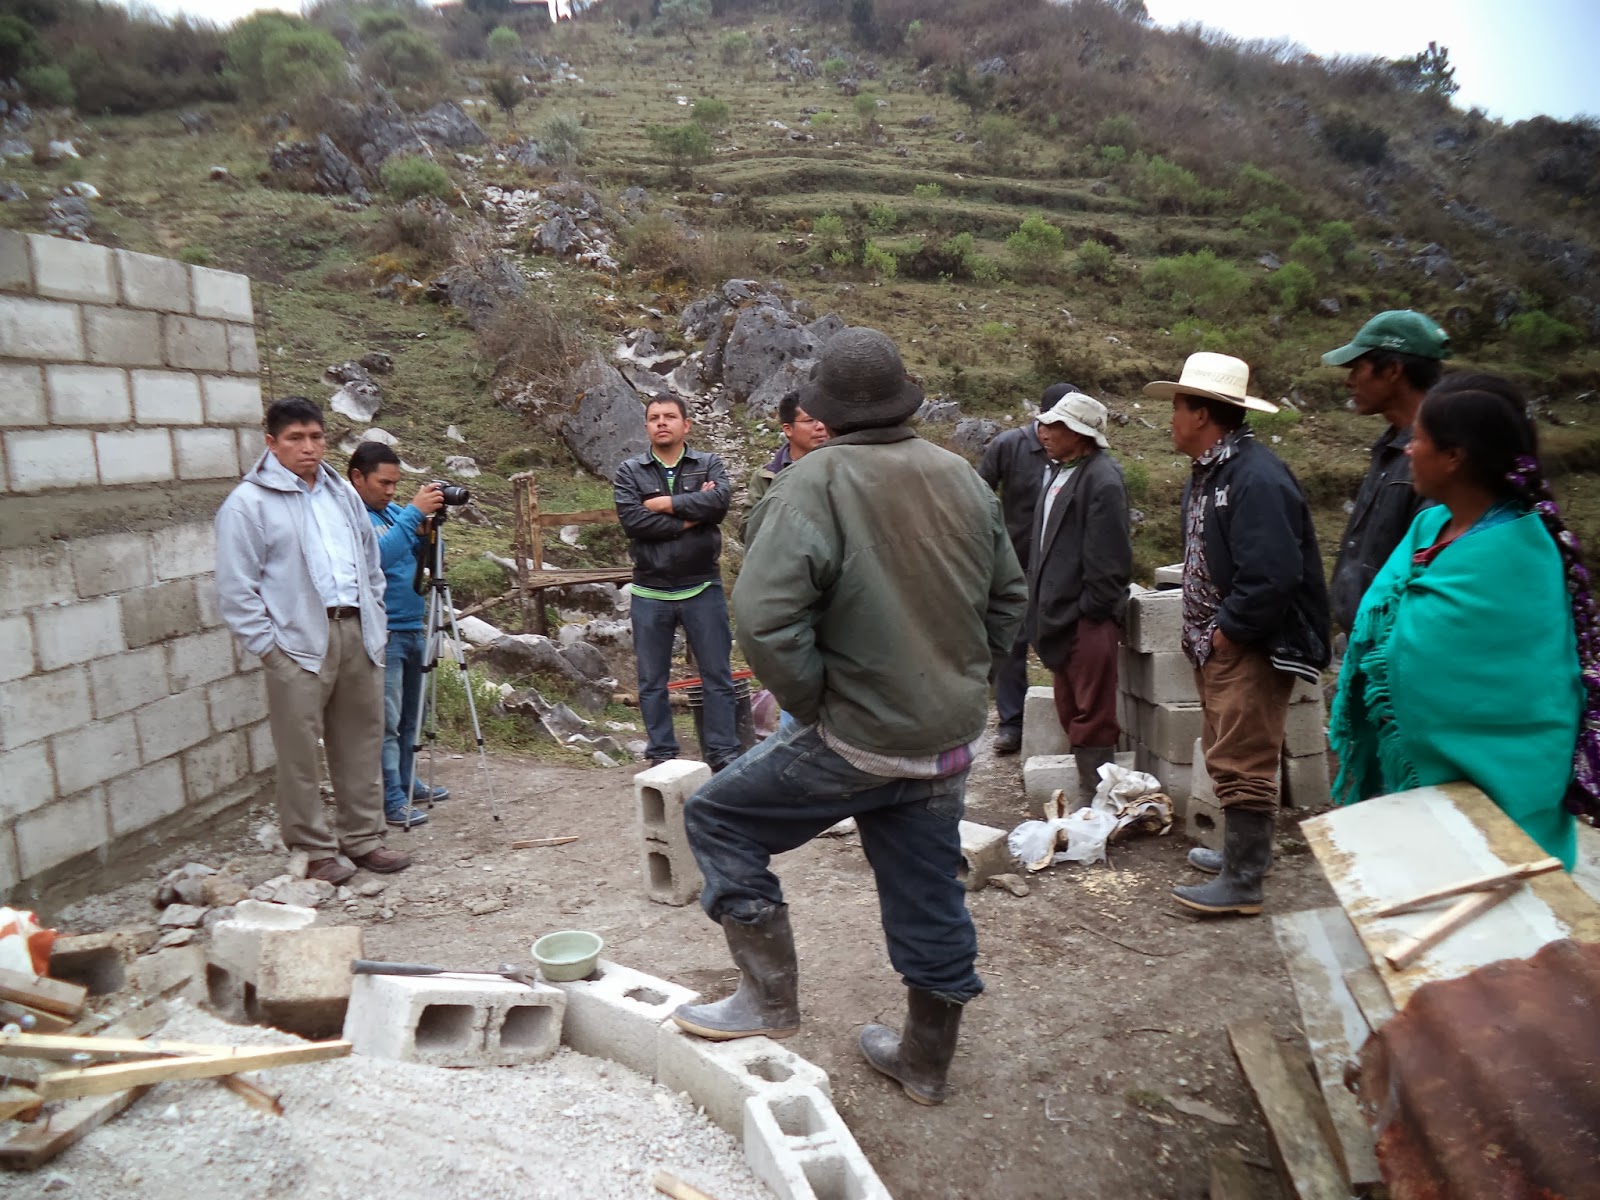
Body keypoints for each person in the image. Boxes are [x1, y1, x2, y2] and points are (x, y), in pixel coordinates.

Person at [670, 327, 1027, 1107]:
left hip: (857, 738)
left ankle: (767, 1000)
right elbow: (1009, 601)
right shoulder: (962, 477)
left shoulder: (810, 485)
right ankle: (925, 1062)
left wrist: (814, 705)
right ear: (903, 399)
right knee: (928, 889)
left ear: (823, 411)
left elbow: (765, 623)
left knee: (718, 819)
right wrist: (961, 682)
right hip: (943, 742)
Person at [1330, 374, 1600, 868]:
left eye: (1419, 439)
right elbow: (1393, 621)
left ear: (1453, 457)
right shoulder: (1429, 525)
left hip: (1502, 786)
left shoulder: (1517, 551)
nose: (1408, 449)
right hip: (1419, 785)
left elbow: (1465, 682)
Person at [1146, 353, 1329, 916]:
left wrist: (1228, 632)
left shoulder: (1254, 477)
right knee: (1228, 749)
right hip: (1218, 643)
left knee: (1244, 752)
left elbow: (1272, 574)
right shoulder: (1214, 471)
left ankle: (1244, 882)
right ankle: (1245, 856)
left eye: (1178, 407)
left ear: (1203, 414)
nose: (1170, 418)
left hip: (1249, 645)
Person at [215, 398, 411, 884]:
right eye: (295, 439)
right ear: (271, 443)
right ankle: (314, 847)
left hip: (356, 630)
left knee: (360, 739)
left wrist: (377, 619)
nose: (308, 448)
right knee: (300, 750)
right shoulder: (248, 503)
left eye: (316, 437)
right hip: (298, 642)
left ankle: (363, 837)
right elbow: (237, 588)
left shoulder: (341, 493)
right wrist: (269, 649)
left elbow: (369, 563)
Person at [614, 395, 740, 771]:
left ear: (687, 424)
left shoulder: (708, 462)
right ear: (646, 426)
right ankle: (662, 754)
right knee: (652, 679)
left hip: (703, 585)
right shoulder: (630, 470)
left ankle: (722, 753)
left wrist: (663, 503)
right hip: (650, 589)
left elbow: (719, 503)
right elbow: (633, 523)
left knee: (717, 674)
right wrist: (690, 514)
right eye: (654, 418)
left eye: (670, 416)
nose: (662, 423)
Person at [1026, 392, 1132, 804]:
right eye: (1044, 424)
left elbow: (1109, 560)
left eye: (1055, 426)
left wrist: (1090, 612)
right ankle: (1089, 799)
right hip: (1059, 614)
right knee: (1071, 704)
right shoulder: (1061, 471)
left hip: (1085, 619)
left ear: (1081, 433)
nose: (1044, 432)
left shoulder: (1102, 479)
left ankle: (1098, 801)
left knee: (1092, 714)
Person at [1320, 310, 1451, 631]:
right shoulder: (1390, 448)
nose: (1349, 381)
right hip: (1367, 641)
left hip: (1394, 651)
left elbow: (1429, 571)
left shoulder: (1441, 458)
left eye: (1358, 368)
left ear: (1393, 370)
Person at [346, 442, 449, 830]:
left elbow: (424, 562)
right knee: (386, 720)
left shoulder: (392, 513)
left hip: (412, 625)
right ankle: (390, 795)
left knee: (412, 715)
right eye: (383, 483)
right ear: (357, 477)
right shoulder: (353, 516)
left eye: (395, 484)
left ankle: (408, 782)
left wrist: (428, 531)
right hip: (383, 632)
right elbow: (378, 558)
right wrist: (412, 517)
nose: (390, 491)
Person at [977, 383, 1074, 755]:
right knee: (1012, 642)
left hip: (1059, 567)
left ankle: (1064, 724)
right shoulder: (1009, 446)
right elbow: (979, 495)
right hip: (1013, 563)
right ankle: (1012, 723)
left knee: (1062, 639)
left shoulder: (1076, 451)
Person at [740, 391, 829, 540]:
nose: (820, 426)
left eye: (824, 419)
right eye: (810, 420)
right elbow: (747, 532)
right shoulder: (767, 476)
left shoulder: (841, 467)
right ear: (788, 429)